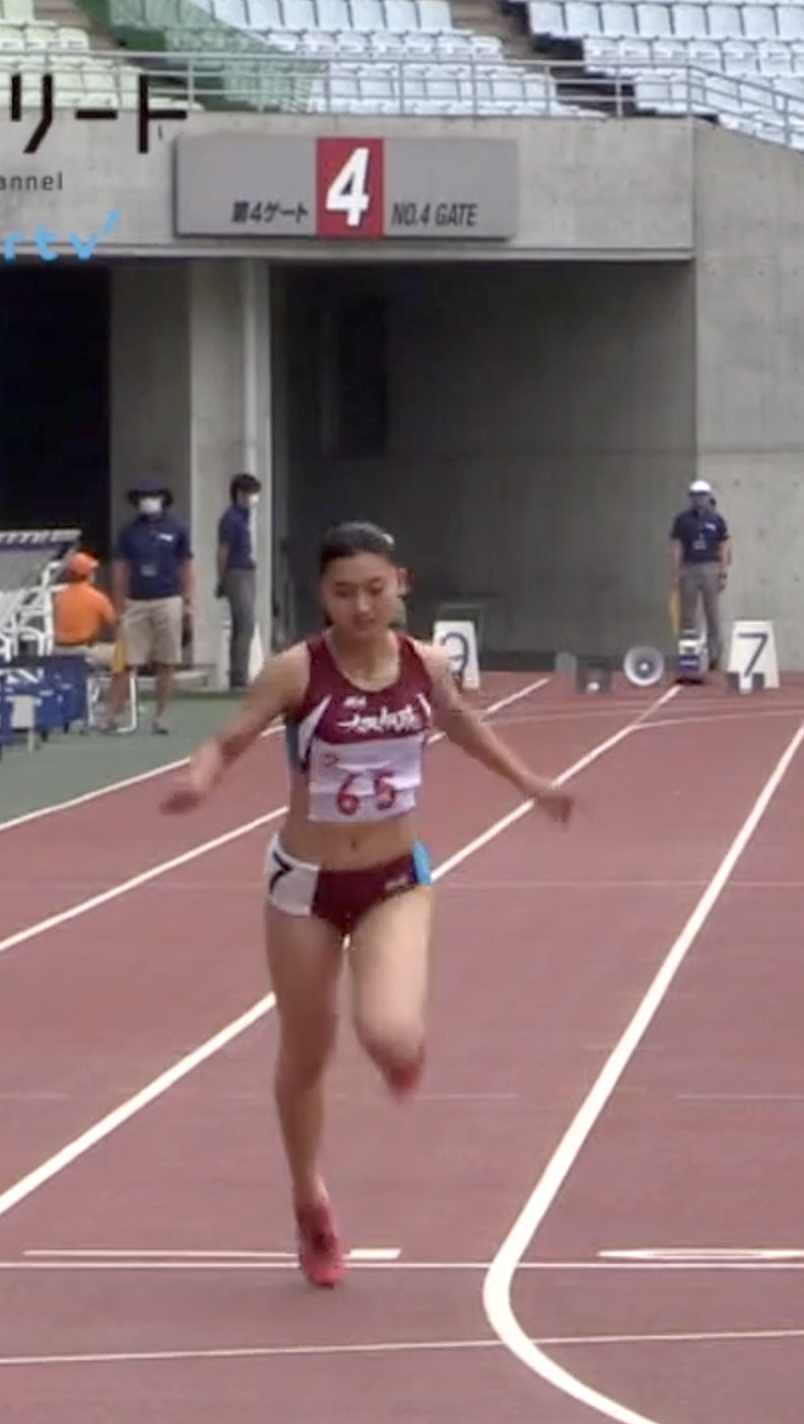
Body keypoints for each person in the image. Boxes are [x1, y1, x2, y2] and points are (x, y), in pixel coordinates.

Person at [159, 521, 577, 1288]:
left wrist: (532, 785)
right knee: (307, 1055)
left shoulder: (428, 663)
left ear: (401, 585)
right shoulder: (296, 672)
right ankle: (309, 1201)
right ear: (322, 597)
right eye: (344, 593)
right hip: (304, 886)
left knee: (387, 1033)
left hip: (393, 878)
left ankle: (401, 1050)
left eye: (375, 590)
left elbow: (460, 723)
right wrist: (202, 778)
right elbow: (229, 738)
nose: (361, 607)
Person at [112, 482, 192, 735]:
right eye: (144, 496)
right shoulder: (128, 532)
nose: (148, 501)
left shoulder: (176, 528)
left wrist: (188, 601)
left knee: (166, 661)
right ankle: (112, 713)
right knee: (125, 661)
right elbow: (120, 568)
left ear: (163, 499)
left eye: (153, 496)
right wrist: (119, 603)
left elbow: (186, 566)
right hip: (136, 600)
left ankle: (162, 715)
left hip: (168, 597)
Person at [670, 479, 729, 669]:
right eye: (696, 496)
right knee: (688, 615)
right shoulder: (682, 520)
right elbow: (677, 545)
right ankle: (688, 656)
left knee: (712, 614)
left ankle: (714, 656)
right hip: (690, 567)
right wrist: (676, 570)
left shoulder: (717, 520)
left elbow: (724, 546)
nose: (699, 500)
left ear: (709, 496)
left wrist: (723, 571)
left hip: (711, 566)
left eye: (703, 496)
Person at [218, 472, 264, 690]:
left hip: (247, 570)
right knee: (244, 623)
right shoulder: (231, 519)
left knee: (243, 625)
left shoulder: (244, 517)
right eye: (251, 493)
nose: (254, 498)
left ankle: (239, 673)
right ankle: (238, 677)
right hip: (237, 572)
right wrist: (222, 578)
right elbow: (223, 550)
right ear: (240, 494)